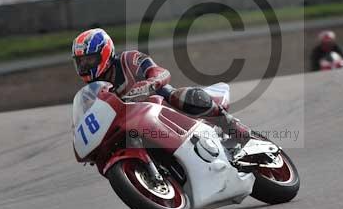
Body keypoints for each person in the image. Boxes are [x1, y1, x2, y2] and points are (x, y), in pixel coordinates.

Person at [72, 28, 243, 136]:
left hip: (163, 104)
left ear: (105, 52)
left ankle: (231, 125)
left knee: (180, 96)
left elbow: (161, 72)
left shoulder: (129, 59)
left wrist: (150, 84)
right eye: (80, 62)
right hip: (137, 126)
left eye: (89, 60)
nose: (85, 66)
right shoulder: (92, 94)